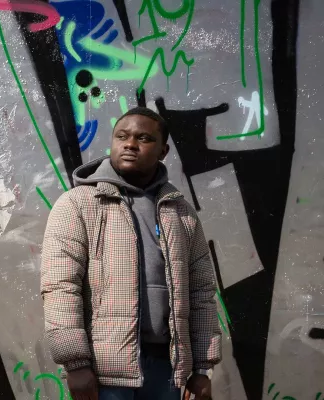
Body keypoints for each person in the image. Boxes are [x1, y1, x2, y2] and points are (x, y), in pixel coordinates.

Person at [41, 107, 222, 400]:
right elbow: (60, 286)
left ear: (163, 150)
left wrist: (202, 370)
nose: (129, 144)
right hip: (103, 372)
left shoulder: (181, 213)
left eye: (143, 138)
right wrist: (75, 364)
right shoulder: (77, 204)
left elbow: (201, 293)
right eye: (121, 136)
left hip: (167, 371)